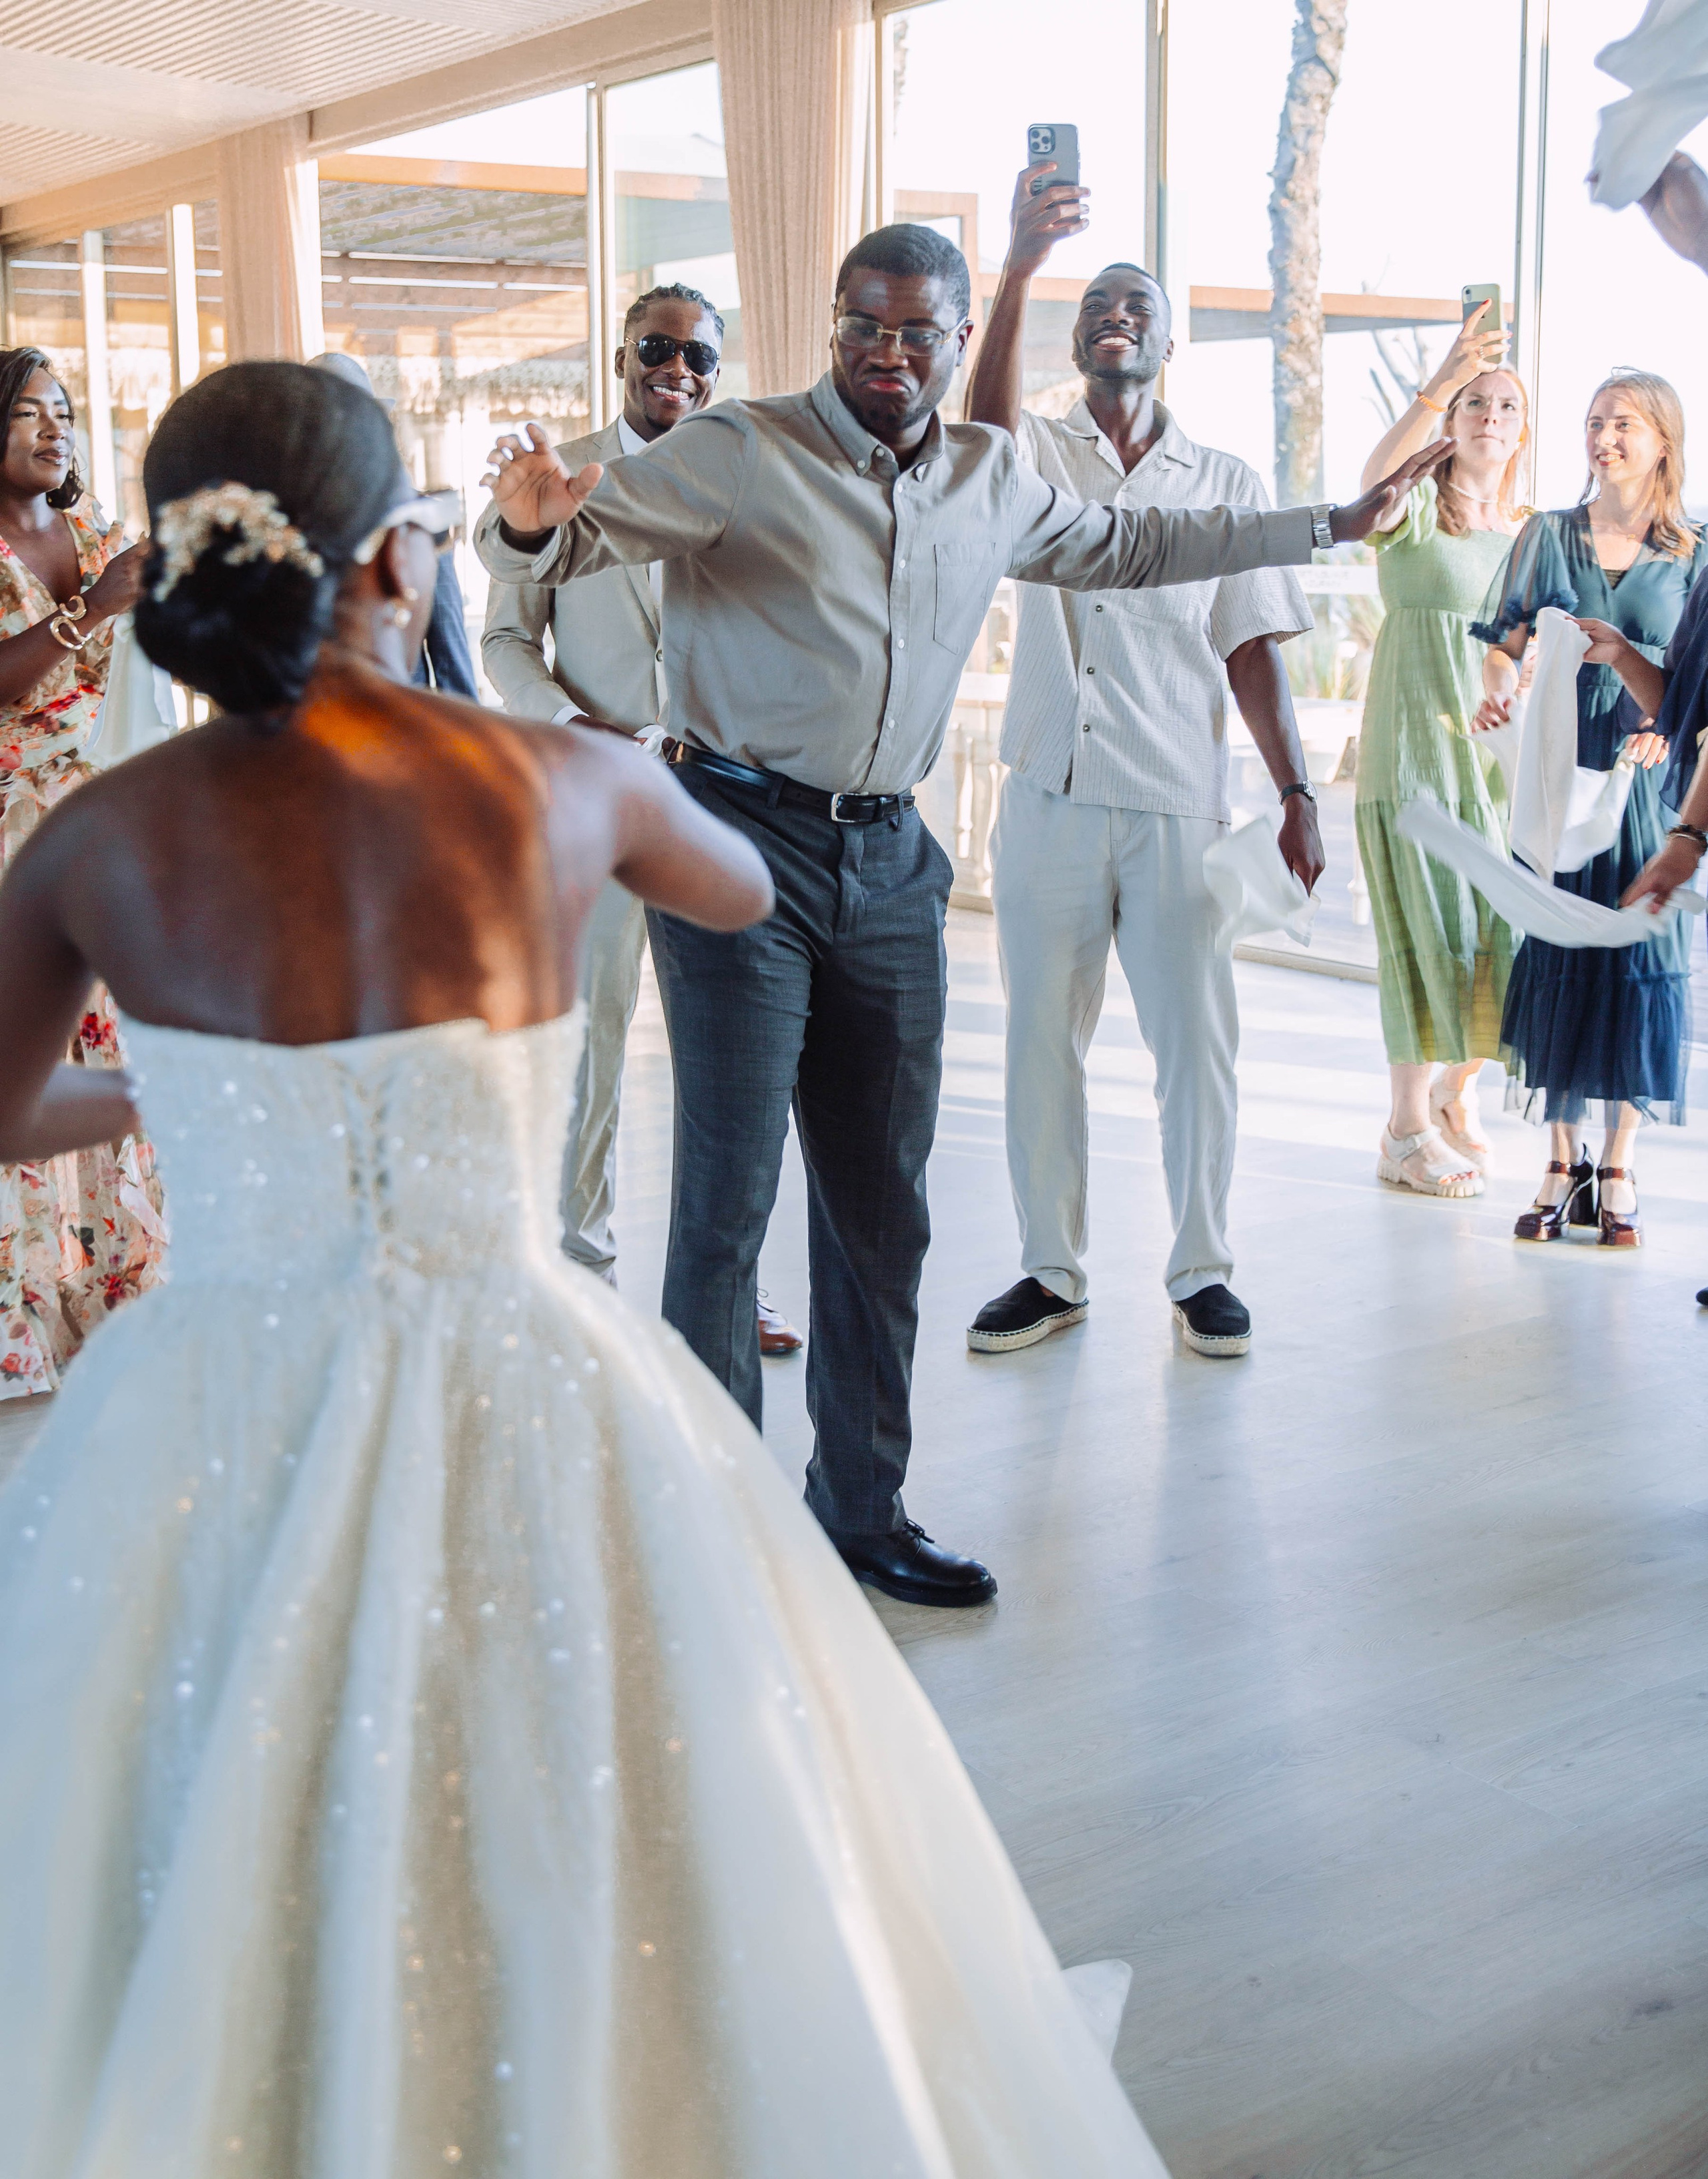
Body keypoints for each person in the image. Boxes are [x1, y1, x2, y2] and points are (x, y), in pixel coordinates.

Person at [0, 357, 1175, 2177]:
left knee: (209, 1790)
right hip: (515, 1371)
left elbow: (6, 1111)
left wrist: (192, 1090)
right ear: (398, 558)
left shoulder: (99, 836)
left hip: (217, 1395)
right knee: (582, 1784)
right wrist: (606, 760)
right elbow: (737, 890)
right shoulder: (555, 785)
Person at [477, 223, 1447, 1606]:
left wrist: (1327, 525)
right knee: (725, 1208)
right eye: (864, 327)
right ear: (834, 326)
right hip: (735, 845)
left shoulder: (995, 476)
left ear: (954, 341)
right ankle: (716, 1531)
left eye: (916, 332)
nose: (889, 352)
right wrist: (524, 520)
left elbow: (1135, 542)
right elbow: (561, 535)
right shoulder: (740, 449)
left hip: (888, 862)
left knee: (882, 1214)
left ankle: (860, 1510)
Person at [961, 165, 1318, 1362]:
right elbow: (977, 437)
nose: (1116, 316)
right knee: (1038, 1046)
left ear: (1169, 345)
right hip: (1049, 794)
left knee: (1196, 1053)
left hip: (1176, 801)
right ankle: (1050, 1270)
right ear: (1076, 339)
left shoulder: (1226, 485)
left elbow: (1252, 647)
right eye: (1098, 306)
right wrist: (1019, 268)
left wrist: (1298, 793)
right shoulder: (1034, 453)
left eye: (1139, 307)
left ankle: (1202, 1268)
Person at [481, 282, 803, 1354]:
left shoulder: (747, 473)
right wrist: (574, 727)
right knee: (590, 1046)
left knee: (736, 1063)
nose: (679, 369)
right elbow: (505, 641)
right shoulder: (558, 473)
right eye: (658, 348)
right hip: (596, 805)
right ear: (623, 357)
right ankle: (580, 1272)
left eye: (700, 356)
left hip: (730, 804)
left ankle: (731, 1283)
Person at [1472, 371, 1707, 1247]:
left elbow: (1697, 687)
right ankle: (1561, 1157)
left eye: (1623, 425)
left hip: (1651, 782)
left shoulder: (1696, 551)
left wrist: (1661, 726)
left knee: (1641, 957)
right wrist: (1499, 689)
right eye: (1594, 422)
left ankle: (1619, 1162)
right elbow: (1504, 643)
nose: (1604, 438)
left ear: (1663, 443)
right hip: (1560, 773)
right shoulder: (1546, 535)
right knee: (1558, 945)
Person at [0, 346, 165, 1397]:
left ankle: (119, 1295)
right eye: (29, 411)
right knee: (20, 1067)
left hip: (109, 834)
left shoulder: (99, 531)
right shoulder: (86, 568)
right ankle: (16, 1315)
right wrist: (94, 606)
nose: (55, 428)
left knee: (113, 1055)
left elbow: (147, 664)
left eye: (63, 411)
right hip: (11, 838)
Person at [1353, 306, 1529, 1199]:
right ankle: (1404, 1129)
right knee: (1422, 929)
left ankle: (1456, 1091)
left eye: (1506, 406)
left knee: (1501, 933)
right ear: (1451, 420)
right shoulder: (1417, 506)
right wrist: (1440, 380)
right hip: (1413, 750)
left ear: (1522, 430)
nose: (1490, 417)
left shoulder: (1528, 534)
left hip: (1492, 762)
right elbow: (1372, 482)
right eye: (1474, 403)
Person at [309, 350, 478, 700]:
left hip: (404, 717)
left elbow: (449, 648)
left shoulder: (419, 519)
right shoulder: (280, 518)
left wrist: (463, 724)